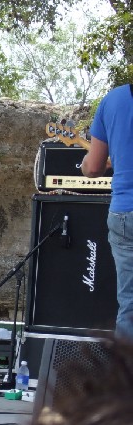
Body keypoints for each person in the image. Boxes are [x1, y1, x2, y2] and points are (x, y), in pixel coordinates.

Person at [81, 83, 133, 340]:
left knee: (130, 305)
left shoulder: (114, 100)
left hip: (126, 212)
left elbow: (93, 168)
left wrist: (85, 163)